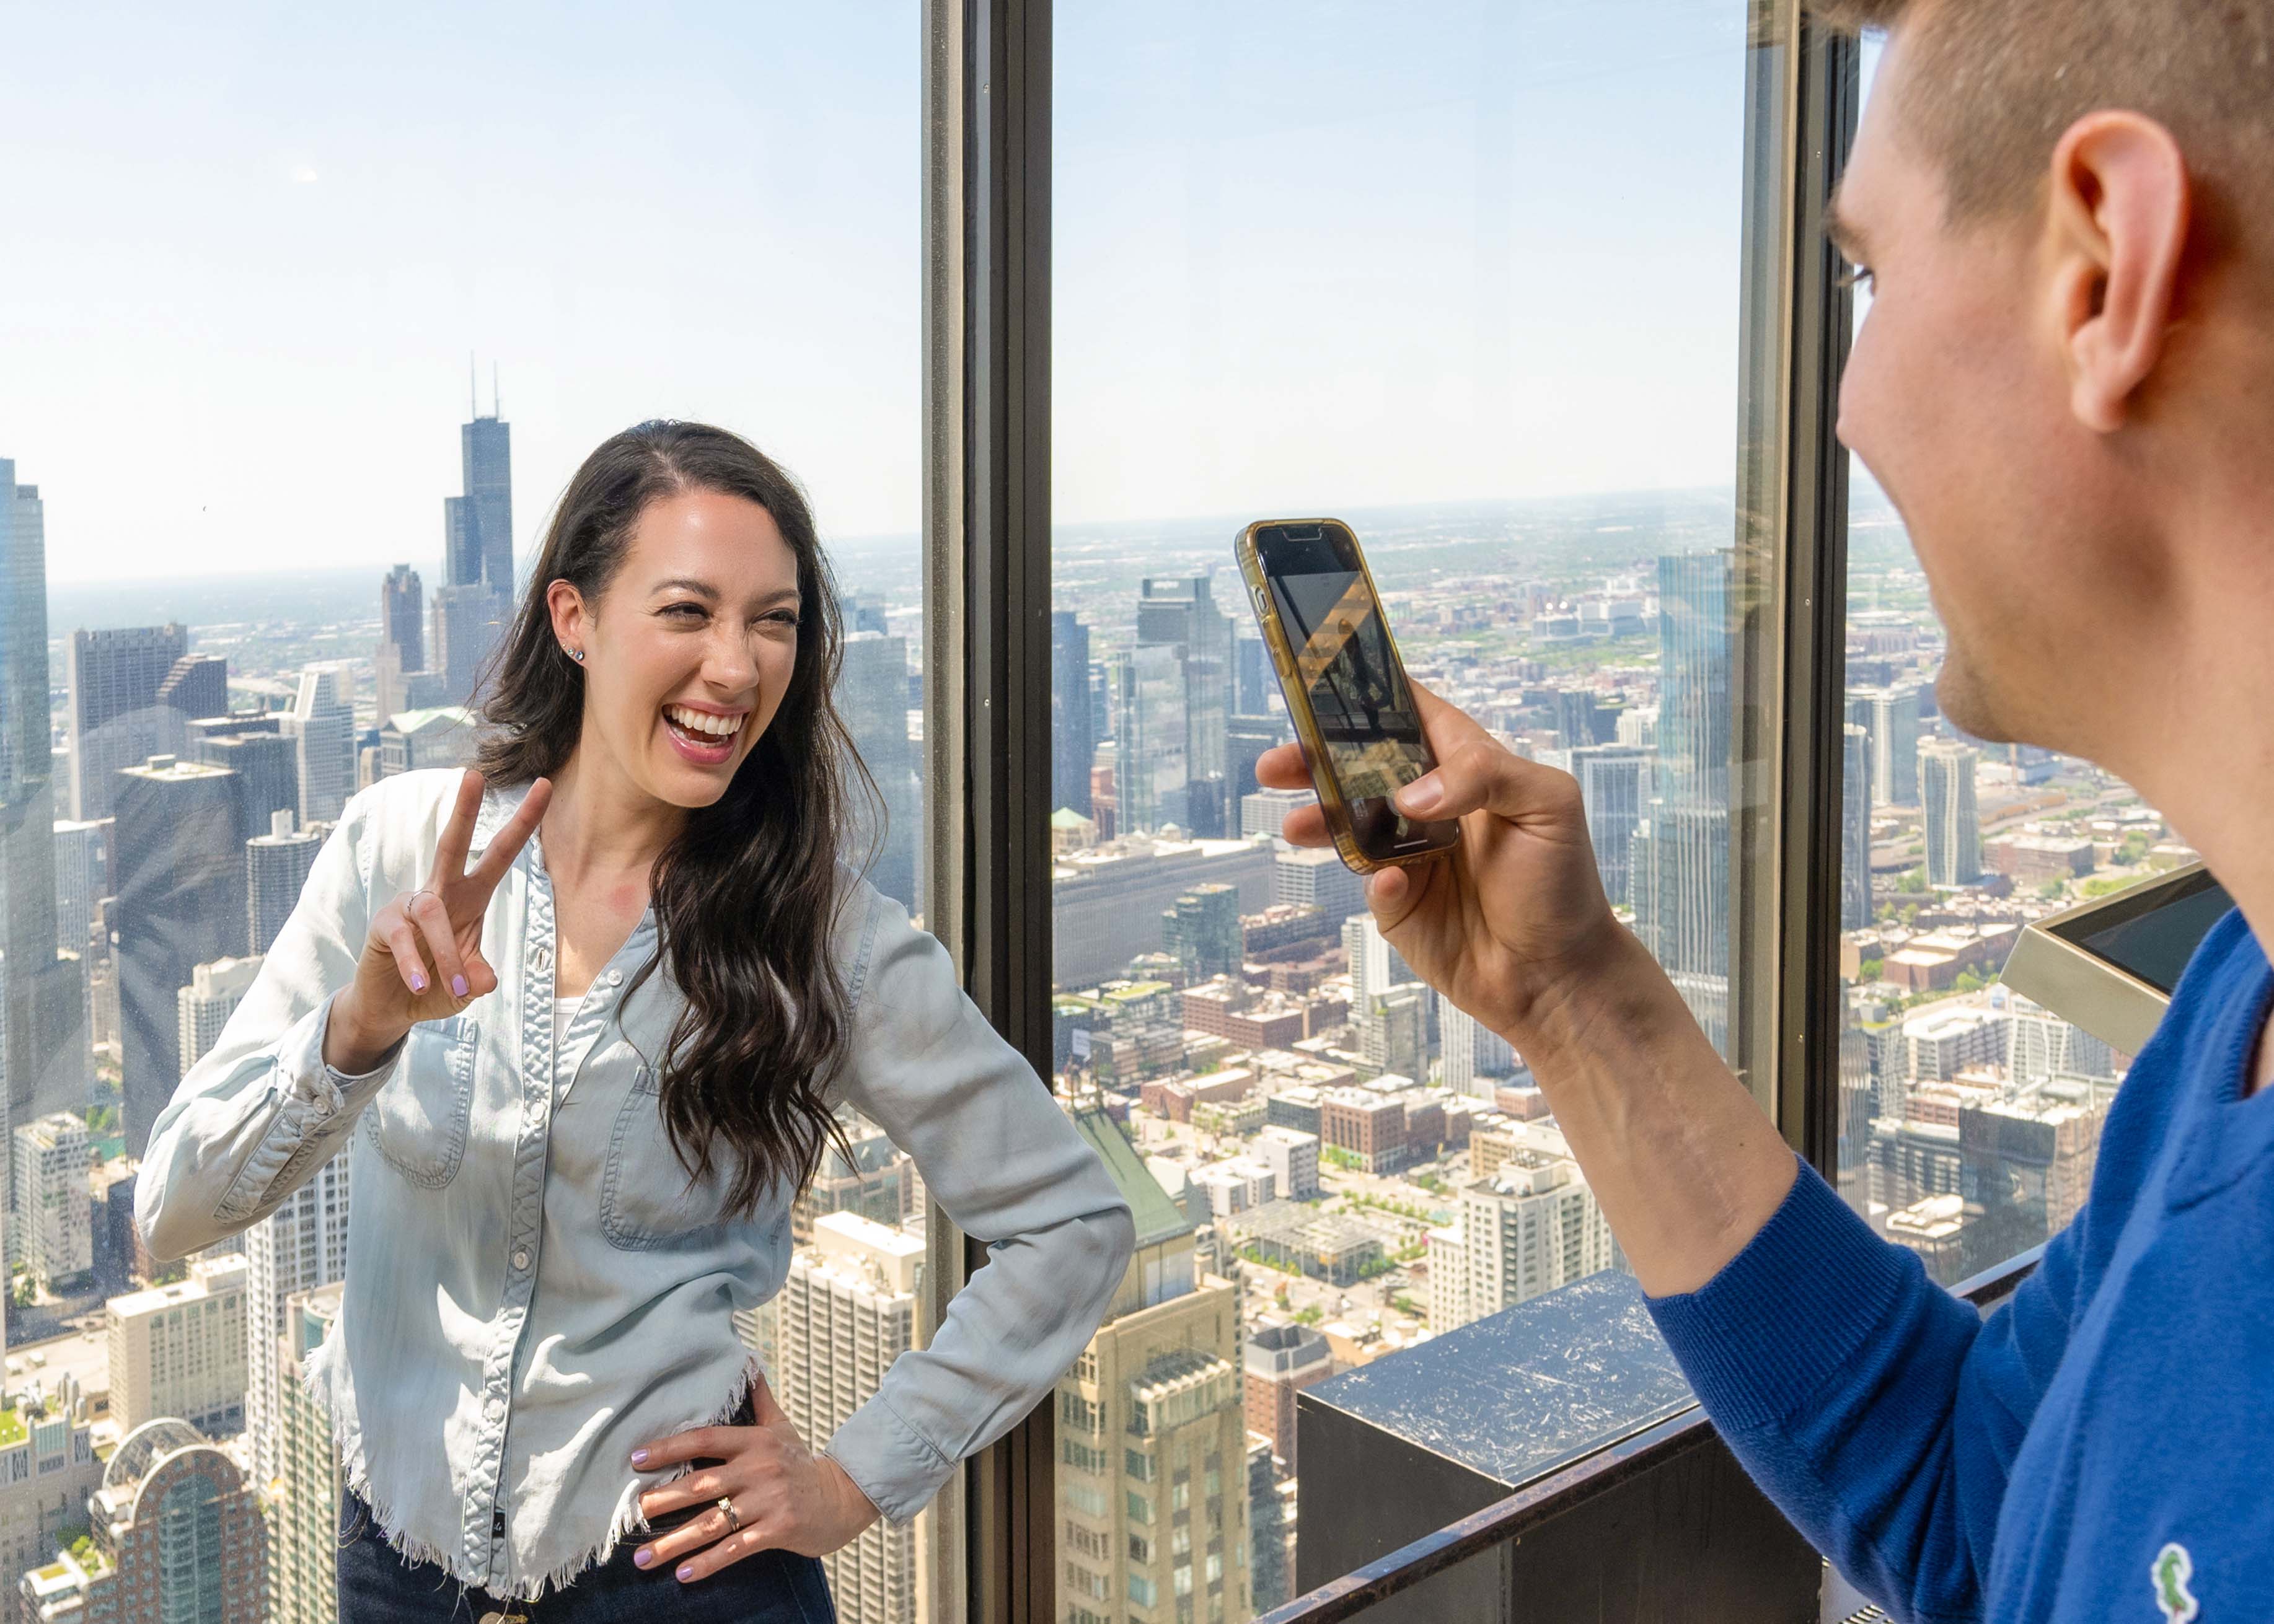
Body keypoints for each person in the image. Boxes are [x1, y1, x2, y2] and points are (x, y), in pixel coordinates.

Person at [1258, 0, 2274, 1617]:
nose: (1839, 408)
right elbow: (1976, 1496)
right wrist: (1567, 993)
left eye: (1865, 277)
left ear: (2102, 270)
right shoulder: (2235, 994)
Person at [138, 421, 1136, 1622]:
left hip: (685, 1581)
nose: (737, 665)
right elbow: (171, 1213)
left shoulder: (826, 938)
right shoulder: (399, 849)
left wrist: (856, 1479)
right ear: (574, 618)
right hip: (394, 1574)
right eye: (687, 611)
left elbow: (1071, 1222)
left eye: (773, 621)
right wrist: (359, 1030)